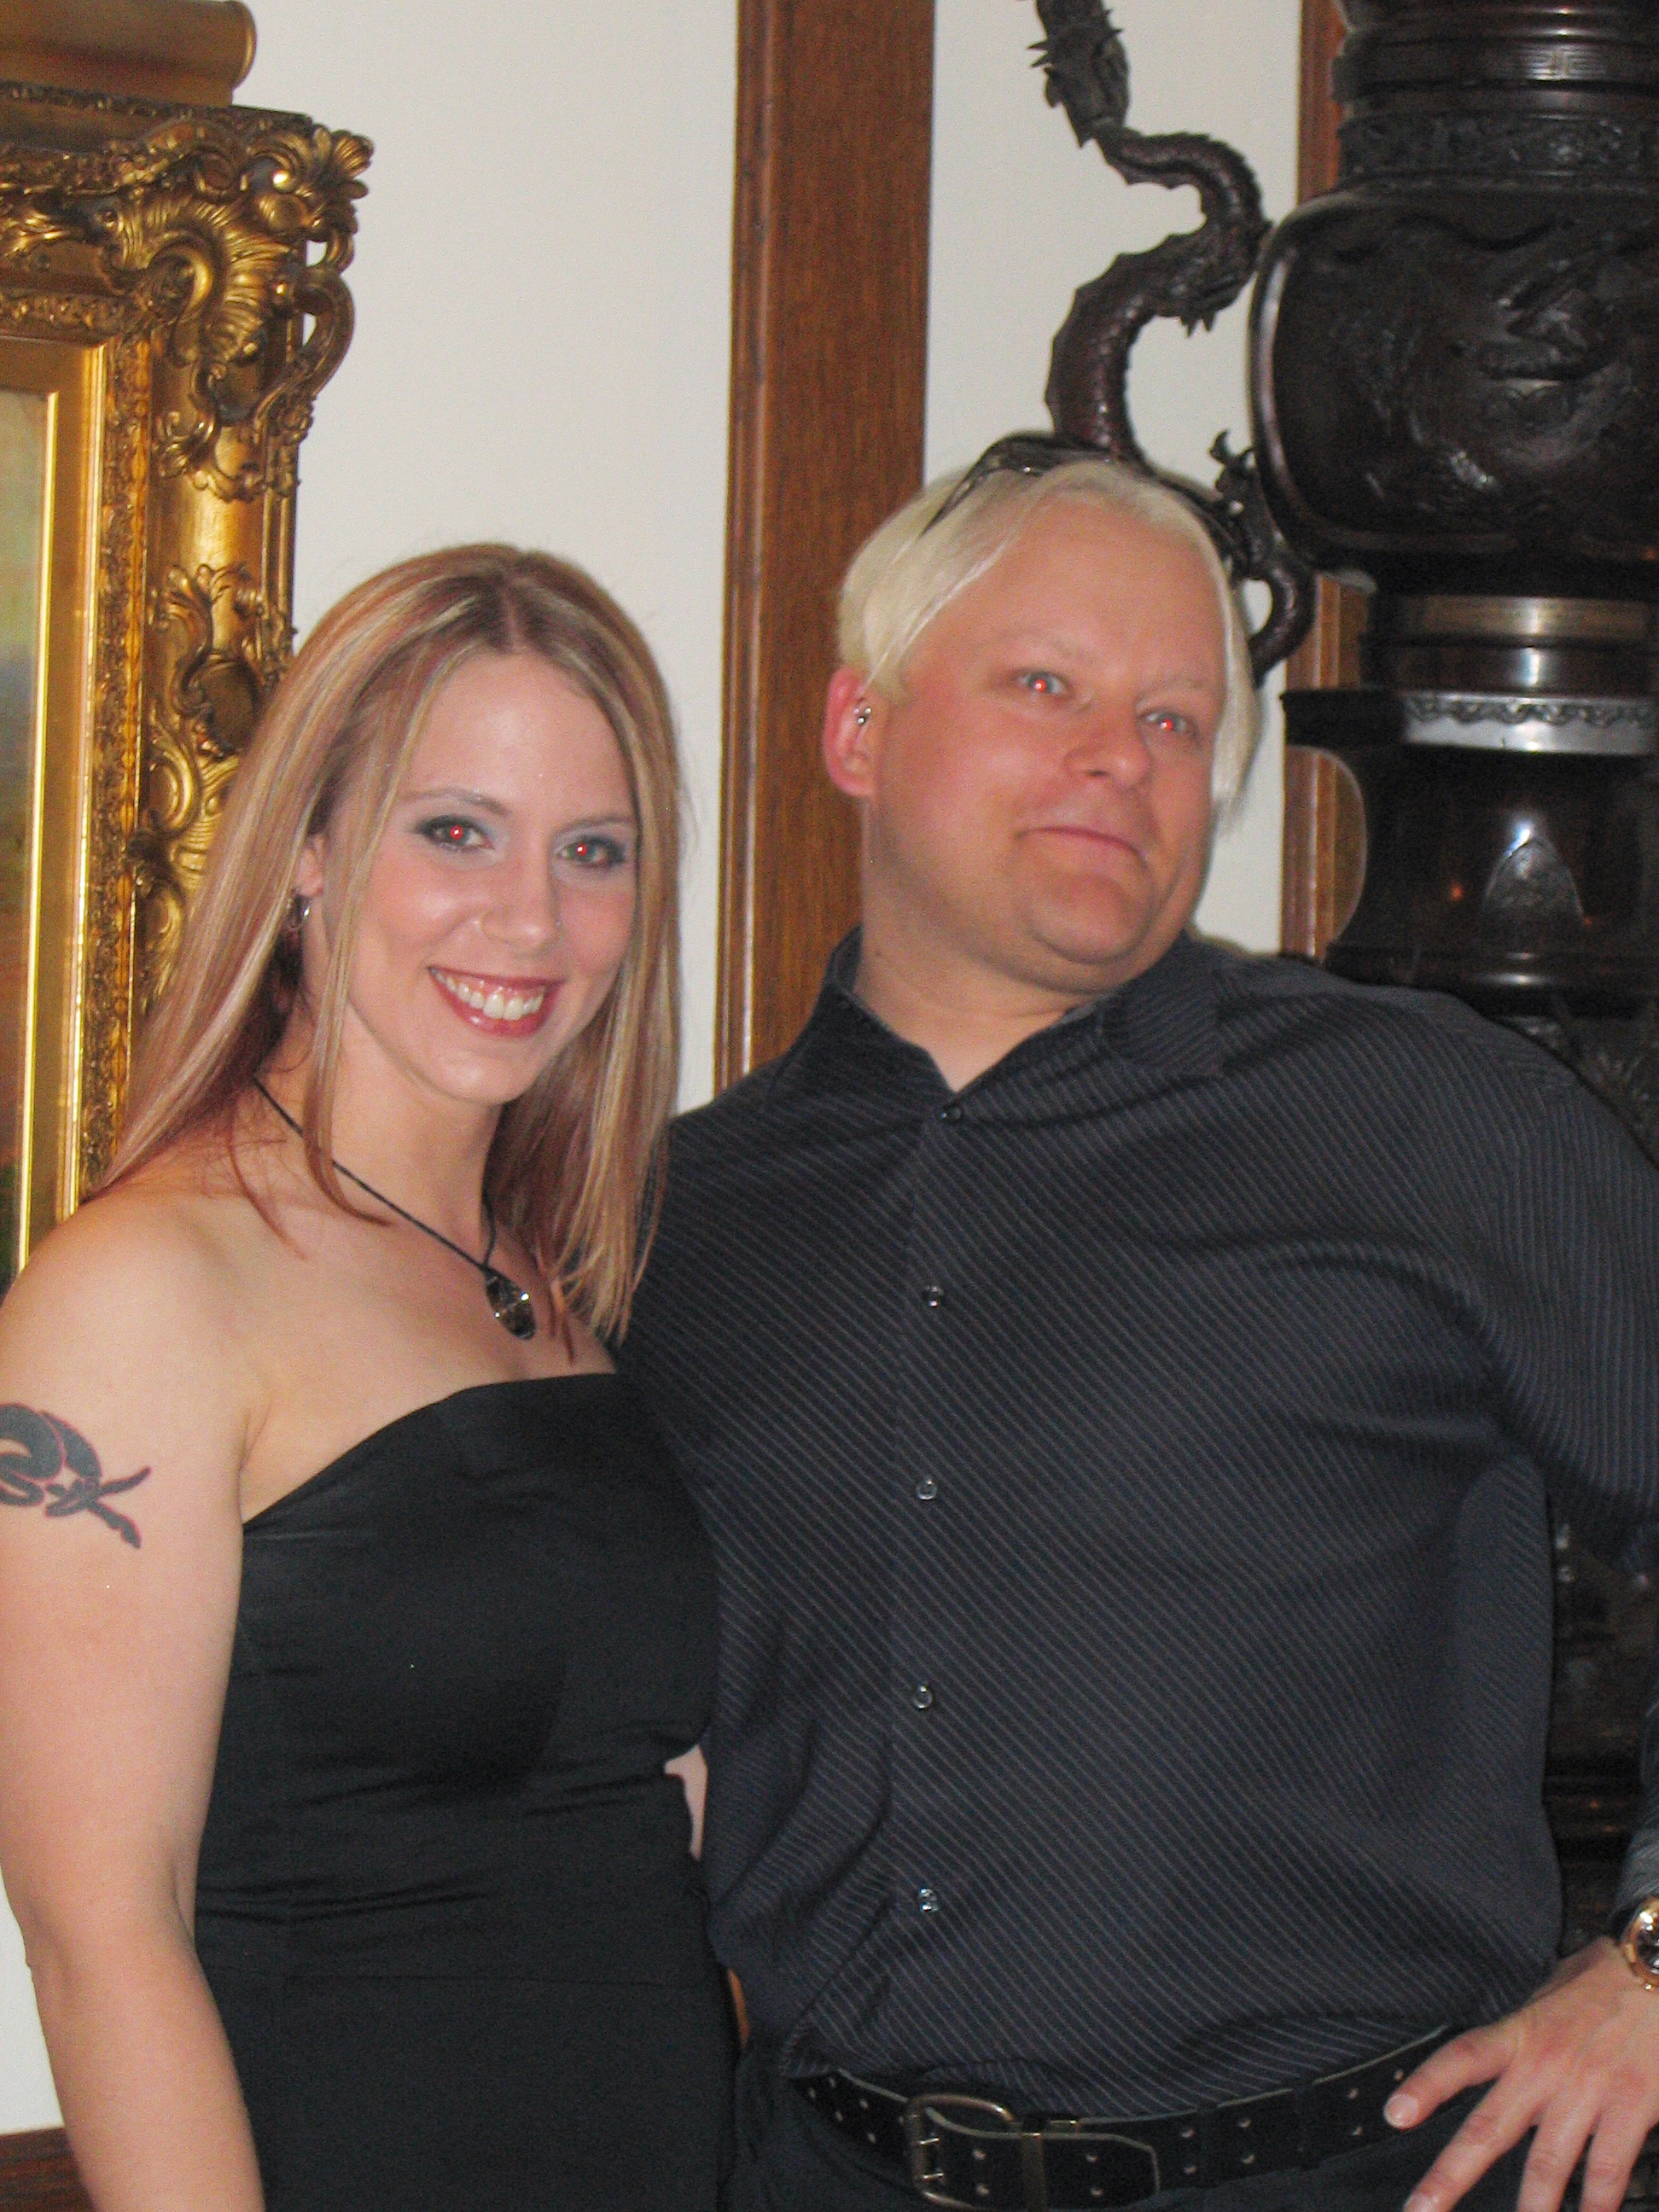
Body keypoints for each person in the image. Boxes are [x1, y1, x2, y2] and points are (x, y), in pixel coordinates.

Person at [617, 450, 1659, 2212]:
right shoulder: (671, 1220)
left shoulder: (1425, 1120)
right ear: (859, 728)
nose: (1123, 755)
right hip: (819, 2171)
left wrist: (1655, 1965)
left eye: (1178, 720)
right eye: (1047, 685)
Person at [0, 545, 732, 2212]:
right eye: (455, 830)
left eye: (595, 850)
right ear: (310, 849)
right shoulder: (142, 1294)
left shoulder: (561, 1284)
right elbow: (99, 1930)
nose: (531, 918)